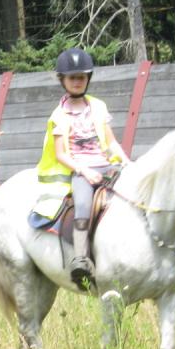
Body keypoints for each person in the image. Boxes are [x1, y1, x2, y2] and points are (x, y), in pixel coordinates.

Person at [35, 47, 129, 285]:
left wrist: (125, 161)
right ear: (63, 80)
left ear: (88, 78)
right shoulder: (59, 115)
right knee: (83, 205)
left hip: (106, 166)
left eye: (81, 77)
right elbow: (60, 154)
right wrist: (84, 171)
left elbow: (110, 141)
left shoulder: (98, 107)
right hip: (81, 170)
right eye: (72, 78)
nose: (77, 82)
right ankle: (80, 258)